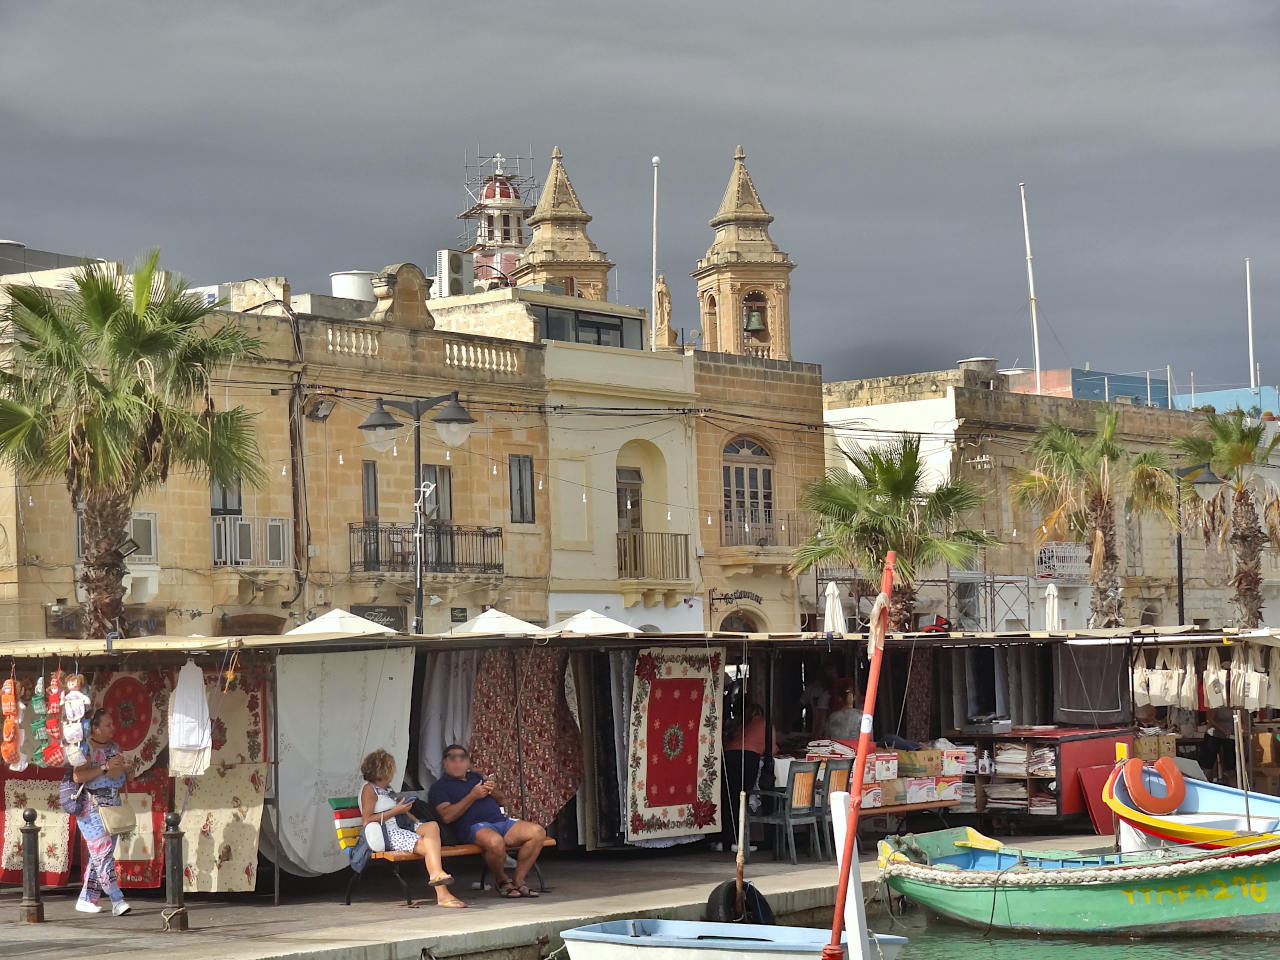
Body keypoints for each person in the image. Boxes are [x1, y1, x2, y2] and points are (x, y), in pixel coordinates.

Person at [427, 745, 547, 899]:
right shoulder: (439, 787)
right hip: (472, 826)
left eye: (462, 758)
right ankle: (502, 879)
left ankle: (518, 880)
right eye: (452, 758)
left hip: (500, 821)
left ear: (468, 762)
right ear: (445, 763)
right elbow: (447, 816)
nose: (457, 762)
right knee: (495, 842)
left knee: (537, 832)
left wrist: (493, 790)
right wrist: (472, 796)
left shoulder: (476, 778)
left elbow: (503, 801)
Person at [359, 748, 465, 908]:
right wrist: (396, 810)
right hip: (388, 833)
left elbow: (399, 813)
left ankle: (438, 877)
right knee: (430, 847)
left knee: (432, 827)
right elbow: (367, 820)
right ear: (385, 770)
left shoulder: (387, 789)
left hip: (401, 826)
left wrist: (411, 817)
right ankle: (442, 893)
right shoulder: (369, 789)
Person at [70, 708, 131, 916]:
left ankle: (86, 898)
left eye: (112, 724)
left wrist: (123, 766)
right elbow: (78, 776)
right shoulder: (85, 748)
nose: (113, 728)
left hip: (112, 805)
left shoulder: (114, 747)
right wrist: (104, 766)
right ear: (95, 729)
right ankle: (117, 899)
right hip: (91, 806)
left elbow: (118, 777)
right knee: (103, 854)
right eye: (108, 725)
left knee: (101, 855)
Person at [716, 703, 780, 853]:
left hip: (728, 757)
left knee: (728, 798)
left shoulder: (741, 724)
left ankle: (723, 840)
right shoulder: (765, 724)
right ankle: (738, 841)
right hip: (748, 758)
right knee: (742, 797)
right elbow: (771, 750)